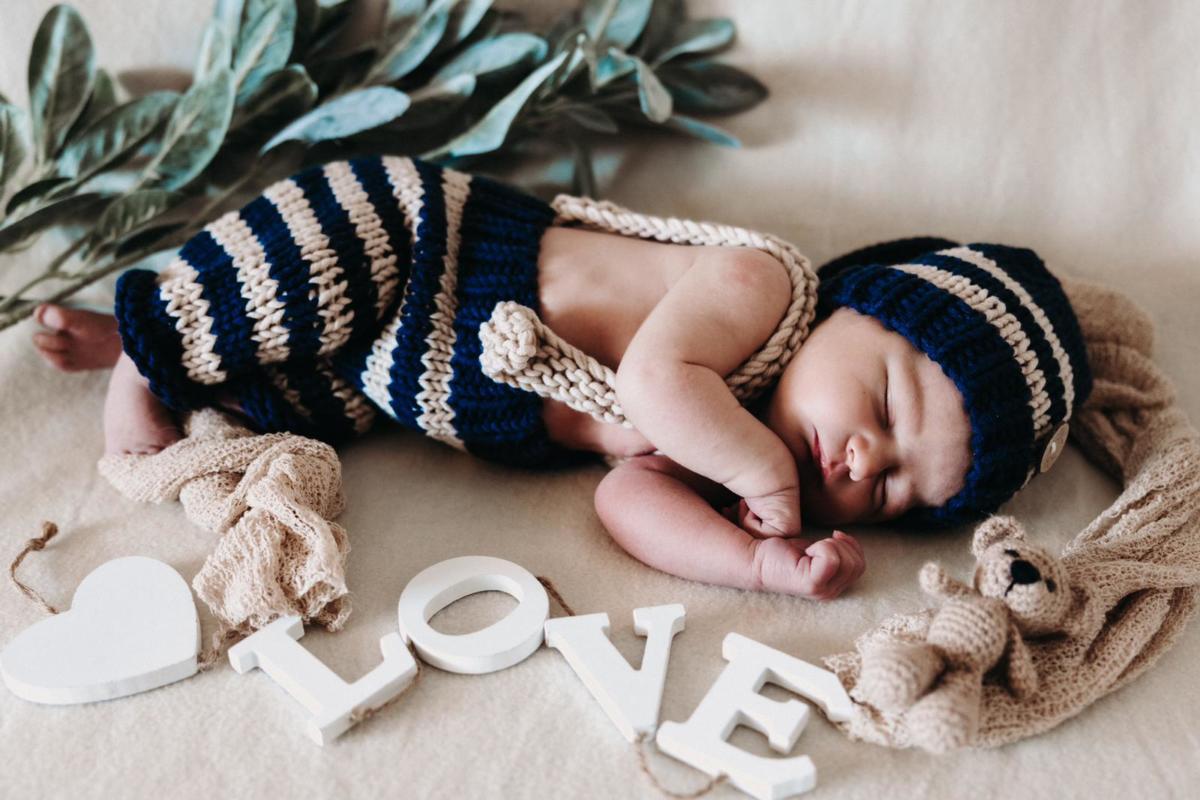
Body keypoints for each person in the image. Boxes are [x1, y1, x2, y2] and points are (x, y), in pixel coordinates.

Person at [29, 156, 1091, 602]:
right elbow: (659, 378)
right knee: (292, 275)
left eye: (895, 489)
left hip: (418, 382)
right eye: (888, 406)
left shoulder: (735, 458)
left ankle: (148, 347)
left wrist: (757, 561)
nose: (862, 460)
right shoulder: (765, 287)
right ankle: (148, 343)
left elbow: (625, 498)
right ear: (859, 306)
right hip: (420, 245)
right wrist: (763, 473)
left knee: (301, 396)